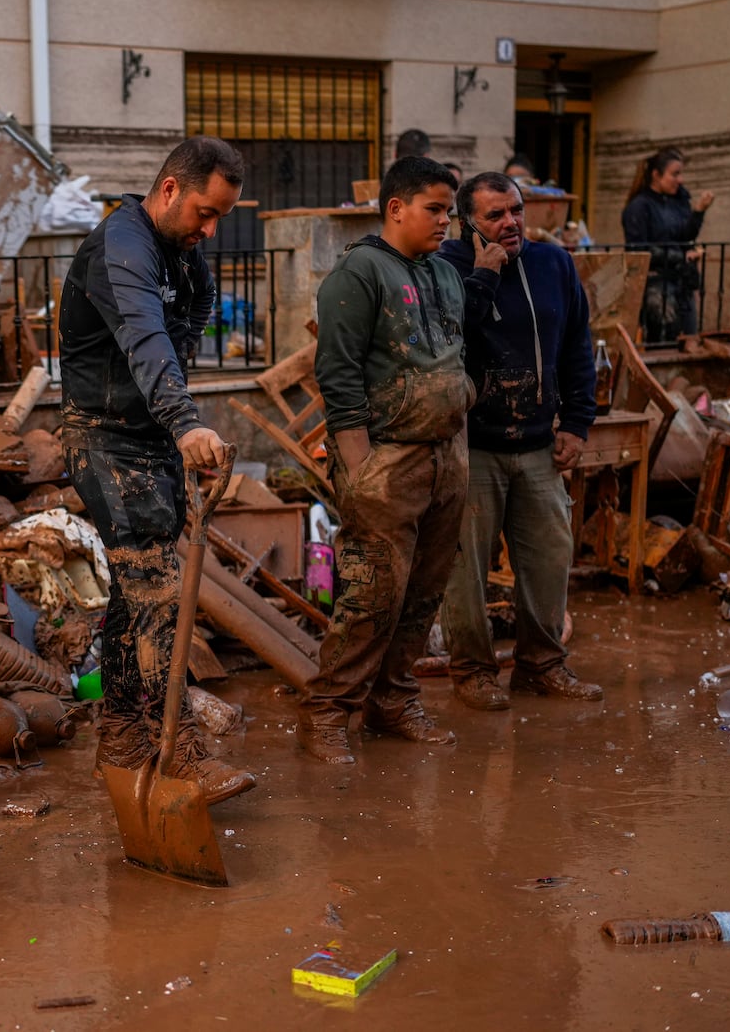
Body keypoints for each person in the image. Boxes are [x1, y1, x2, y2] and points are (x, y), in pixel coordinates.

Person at [60, 136, 257, 805]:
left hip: (151, 439)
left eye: (221, 217)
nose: (210, 229)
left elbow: (191, 322)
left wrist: (173, 425)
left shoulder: (182, 256)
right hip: (107, 437)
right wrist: (186, 420)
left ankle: (121, 731)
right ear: (169, 189)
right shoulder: (123, 244)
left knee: (143, 588)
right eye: (204, 212)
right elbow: (146, 336)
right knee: (154, 589)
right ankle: (170, 748)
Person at [300, 156, 474, 764]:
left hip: (448, 456)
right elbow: (337, 375)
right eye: (435, 209)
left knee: (424, 593)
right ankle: (328, 714)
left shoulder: (444, 273)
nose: (446, 222)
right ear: (396, 207)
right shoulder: (358, 273)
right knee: (371, 595)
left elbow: (453, 355)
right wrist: (363, 465)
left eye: (449, 211)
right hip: (387, 462)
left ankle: (392, 700)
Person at [439, 172, 602, 709]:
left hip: (538, 442)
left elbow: (578, 343)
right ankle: (472, 671)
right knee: (466, 570)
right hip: (474, 446)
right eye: (495, 215)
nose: (510, 223)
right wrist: (484, 275)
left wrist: (577, 424)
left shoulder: (554, 263)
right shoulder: (448, 268)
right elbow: (446, 341)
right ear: (468, 223)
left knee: (550, 558)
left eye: (516, 210)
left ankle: (541, 665)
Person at [621, 147, 714, 342]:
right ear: (656, 175)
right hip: (655, 285)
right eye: (675, 174)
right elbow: (638, 249)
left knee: (690, 339)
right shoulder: (639, 206)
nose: (680, 180)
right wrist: (681, 255)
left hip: (682, 281)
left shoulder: (678, 201)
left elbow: (685, 236)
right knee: (662, 341)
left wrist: (698, 211)